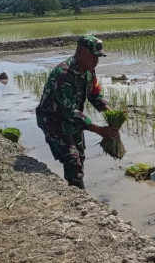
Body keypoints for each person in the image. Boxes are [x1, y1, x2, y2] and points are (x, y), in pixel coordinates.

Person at [35, 35, 120, 190]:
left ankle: (75, 192)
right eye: (93, 56)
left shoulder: (89, 71)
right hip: (52, 120)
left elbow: (95, 96)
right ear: (80, 53)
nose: (96, 61)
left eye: (98, 57)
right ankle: (78, 197)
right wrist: (99, 130)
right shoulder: (63, 74)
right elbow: (70, 111)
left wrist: (110, 113)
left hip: (73, 120)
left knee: (80, 156)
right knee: (72, 159)